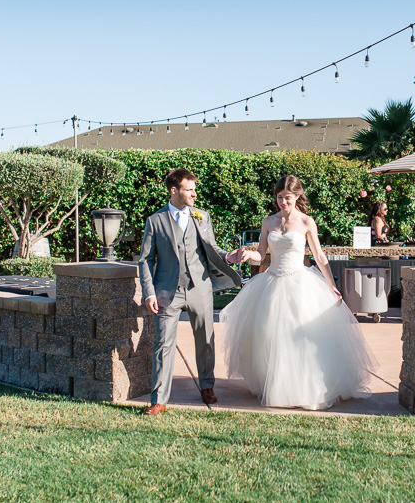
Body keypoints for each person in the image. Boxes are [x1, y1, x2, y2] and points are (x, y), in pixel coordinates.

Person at [220, 175, 377, 410]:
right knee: (270, 336)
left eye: (288, 198)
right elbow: (261, 255)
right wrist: (245, 254)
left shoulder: (306, 222)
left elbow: (319, 256)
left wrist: (332, 285)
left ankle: (305, 388)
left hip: (299, 283)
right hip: (271, 283)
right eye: (279, 197)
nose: (283, 202)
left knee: (301, 337)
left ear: (297, 197)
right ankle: (275, 385)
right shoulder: (268, 222)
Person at [138, 168, 246, 416]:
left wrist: (229, 256)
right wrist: (149, 292)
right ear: (174, 191)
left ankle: (207, 386)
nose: (194, 194)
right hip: (167, 291)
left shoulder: (202, 216)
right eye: (189, 189)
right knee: (163, 343)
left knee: (205, 340)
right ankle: (159, 400)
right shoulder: (155, 221)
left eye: (194, 189)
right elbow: (145, 260)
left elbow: (213, 249)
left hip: (200, 288)